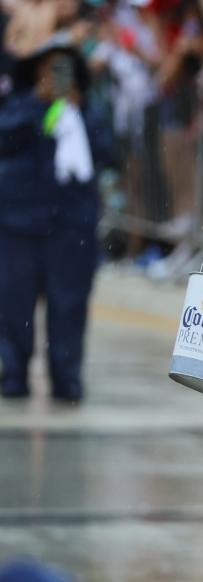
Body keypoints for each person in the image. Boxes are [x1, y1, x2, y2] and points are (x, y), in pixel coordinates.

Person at [0, 39, 111, 401]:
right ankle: (13, 373)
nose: (56, 77)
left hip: (70, 226)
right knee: (14, 304)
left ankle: (67, 378)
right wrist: (39, 103)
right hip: (19, 223)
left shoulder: (87, 112)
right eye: (50, 68)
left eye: (64, 69)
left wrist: (78, 111)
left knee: (69, 305)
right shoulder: (18, 104)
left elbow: (108, 151)